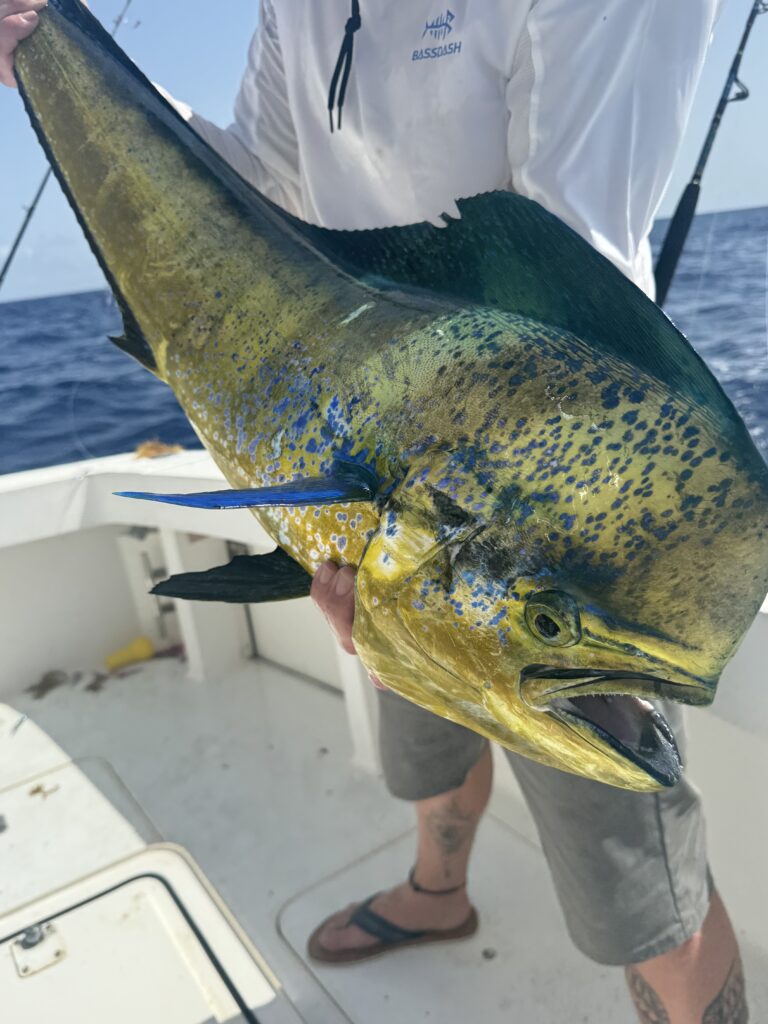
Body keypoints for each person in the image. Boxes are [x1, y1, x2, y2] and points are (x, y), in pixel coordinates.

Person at [0, 1, 749, 1019]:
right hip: (372, 474)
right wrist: (51, 50)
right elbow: (254, 181)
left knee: (645, 897)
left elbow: (564, 260)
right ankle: (439, 889)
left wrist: (440, 532)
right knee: (423, 732)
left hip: (541, 515)